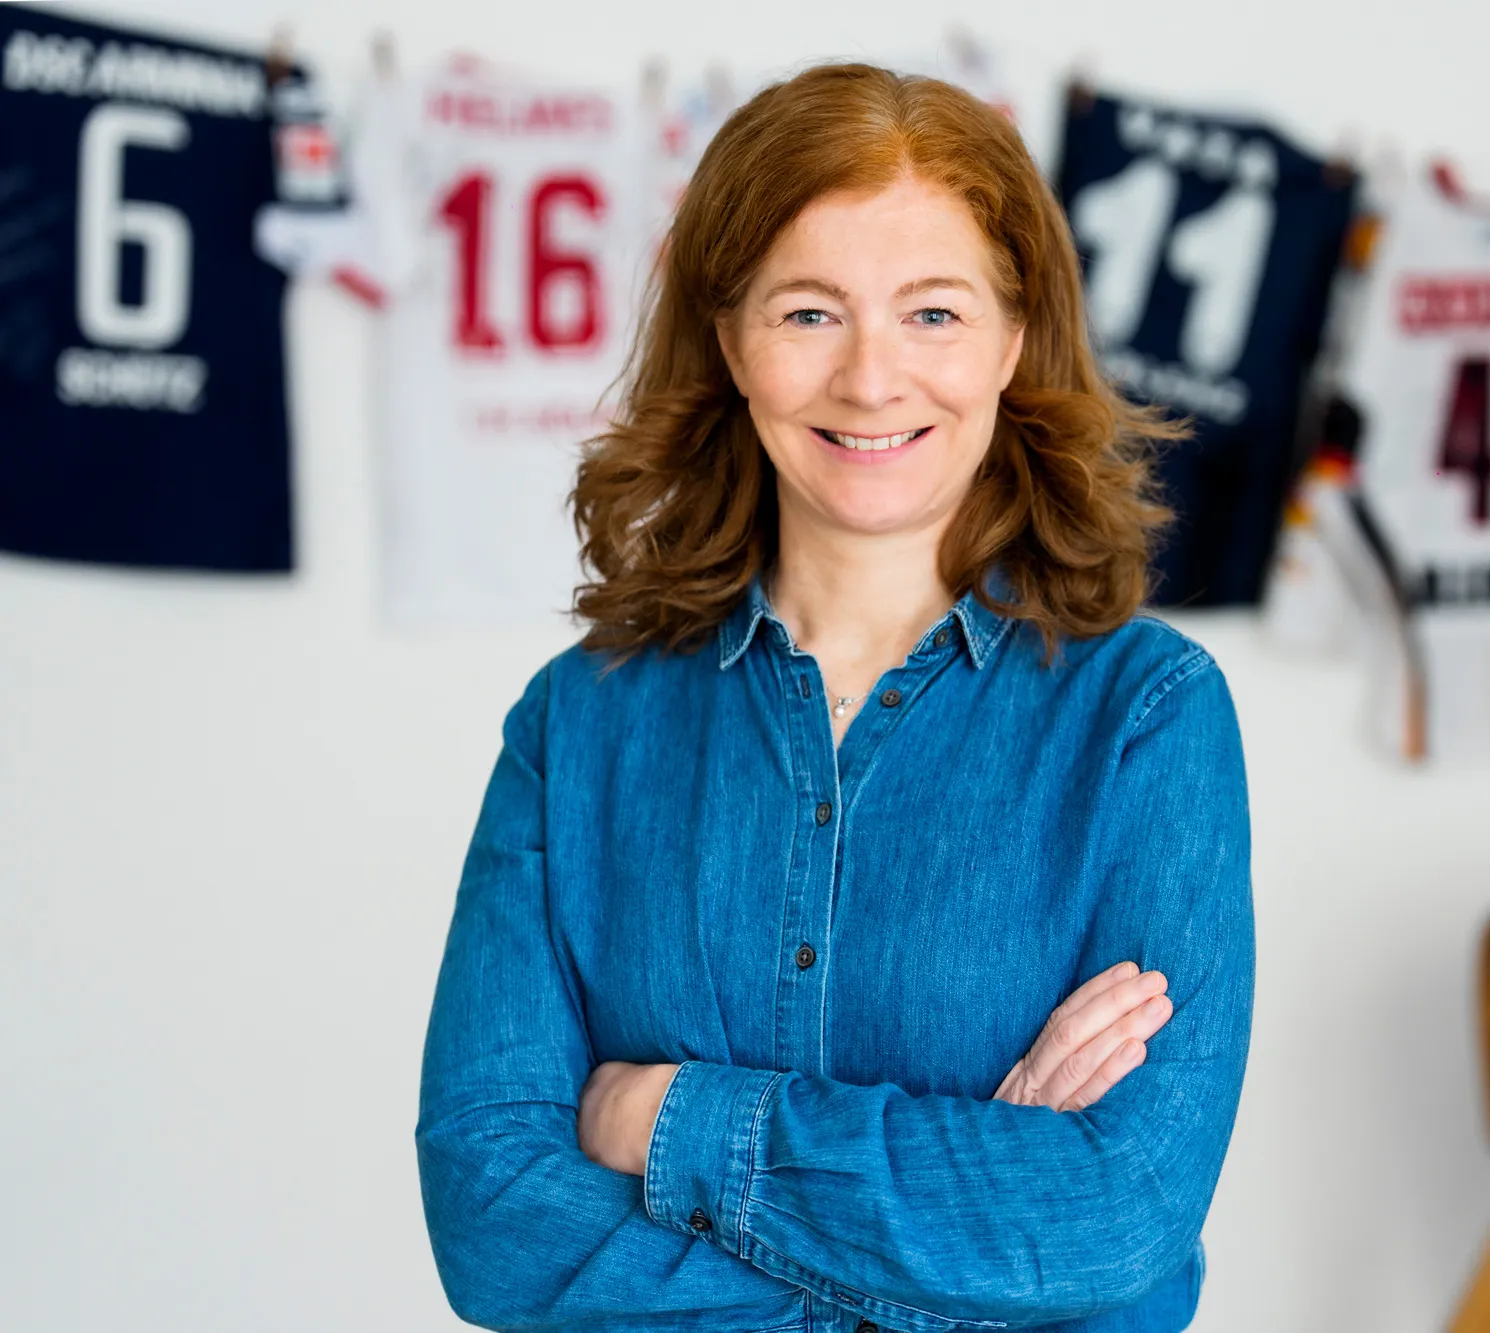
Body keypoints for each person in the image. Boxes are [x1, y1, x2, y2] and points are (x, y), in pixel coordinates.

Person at [416, 62, 1256, 1333]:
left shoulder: (1146, 717)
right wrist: (964, 1245)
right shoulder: (576, 724)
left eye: (932, 313)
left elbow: (1114, 1213)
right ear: (728, 337)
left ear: (1013, 337)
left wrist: (658, 1119)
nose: (871, 380)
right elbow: (494, 1230)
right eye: (809, 313)